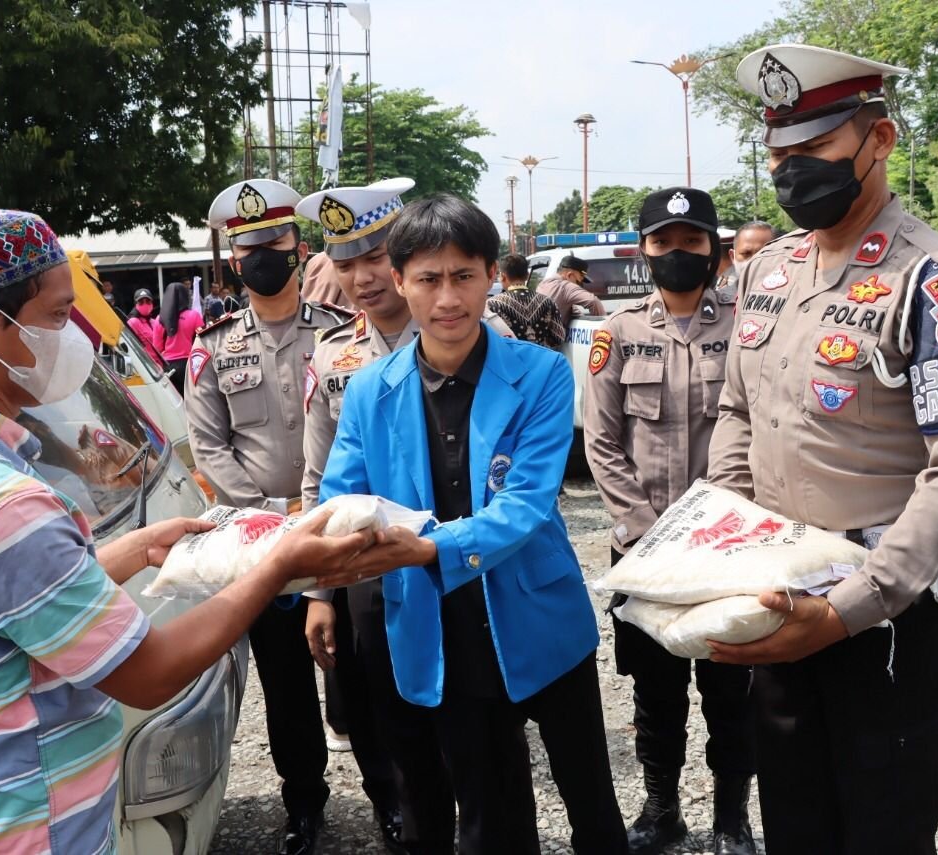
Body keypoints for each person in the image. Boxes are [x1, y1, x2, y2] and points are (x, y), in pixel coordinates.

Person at [0, 207, 391, 855]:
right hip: (37, 831)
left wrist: (130, 551)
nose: (69, 340)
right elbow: (147, 673)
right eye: (56, 316)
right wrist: (276, 564)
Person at [706, 45, 938, 855]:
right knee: (795, 816)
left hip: (888, 616)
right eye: (779, 155)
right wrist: (731, 542)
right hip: (781, 593)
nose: (791, 171)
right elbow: (738, 412)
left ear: (879, 140)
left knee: (885, 823)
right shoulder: (769, 271)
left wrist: (850, 608)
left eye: (813, 148)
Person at [319, 194, 627, 855]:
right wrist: (306, 565)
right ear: (400, 281)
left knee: (592, 802)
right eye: (428, 278)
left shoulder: (541, 374)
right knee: (492, 807)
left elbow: (526, 503)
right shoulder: (370, 389)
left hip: (539, 611)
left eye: (463, 276)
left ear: (492, 274)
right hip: (440, 621)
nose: (448, 298)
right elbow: (340, 496)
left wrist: (425, 547)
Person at [584, 187, 756, 855]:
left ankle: (732, 819)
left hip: (730, 550)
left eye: (691, 241)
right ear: (644, 250)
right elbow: (602, 443)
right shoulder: (617, 333)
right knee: (656, 694)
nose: (677, 252)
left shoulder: (746, 326)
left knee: (732, 691)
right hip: (643, 551)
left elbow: (761, 430)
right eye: (664, 242)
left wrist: (723, 528)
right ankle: (662, 810)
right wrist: (646, 531)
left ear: (713, 248)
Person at [186, 179, 352, 855]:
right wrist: (275, 513)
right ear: (233, 260)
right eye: (247, 247)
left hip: (342, 526)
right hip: (261, 543)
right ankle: (304, 802)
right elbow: (208, 447)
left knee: (360, 669)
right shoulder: (212, 346)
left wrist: (320, 508)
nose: (261, 256)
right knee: (285, 685)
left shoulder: (341, 334)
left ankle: (393, 793)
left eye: (274, 242)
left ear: (298, 247)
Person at [297, 177, 456, 853]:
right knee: (382, 712)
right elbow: (319, 480)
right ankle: (404, 820)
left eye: (373, 257)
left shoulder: (462, 329)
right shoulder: (332, 352)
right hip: (370, 569)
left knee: (468, 718)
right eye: (344, 262)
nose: (361, 277)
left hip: (454, 555)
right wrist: (319, 593)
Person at [486, 254, 565, 348]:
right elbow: (558, 337)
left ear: (503, 276)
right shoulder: (548, 302)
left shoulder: (493, 304)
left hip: (508, 356)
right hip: (540, 356)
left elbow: (487, 340)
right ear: (527, 275)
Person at [153, 280, 204, 394]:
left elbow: (157, 347)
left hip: (168, 366)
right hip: (189, 364)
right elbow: (202, 340)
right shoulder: (194, 315)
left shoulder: (160, 319)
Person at [536, 253, 605, 326]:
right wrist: (603, 326)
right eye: (578, 282)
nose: (579, 286)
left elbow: (569, 308)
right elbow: (593, 301)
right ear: (569, 275)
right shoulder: (565, 287)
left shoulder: (542, 284)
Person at [128, 287, 165, 368]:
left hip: (160, 365)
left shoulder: (154, 322)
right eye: (141, 302)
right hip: (147, 366)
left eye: (148, 301)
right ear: (135, 304)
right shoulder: (133, 322)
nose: (145, 304)